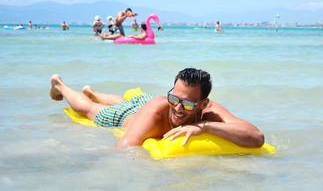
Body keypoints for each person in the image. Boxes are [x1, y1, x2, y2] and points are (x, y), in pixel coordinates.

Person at [49, 68, 265, 148]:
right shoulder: (159, 109)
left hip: (151, 103)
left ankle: (94, 92)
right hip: (129, 116)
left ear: (203, 104)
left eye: (188, 103)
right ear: (170, 92)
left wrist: (204, 127)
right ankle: (60, 84)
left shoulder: (211, 111)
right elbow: (124, 149)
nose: (179, 108)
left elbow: (256, 137)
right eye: (175, 98)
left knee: (128, 100)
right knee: (89, 109)